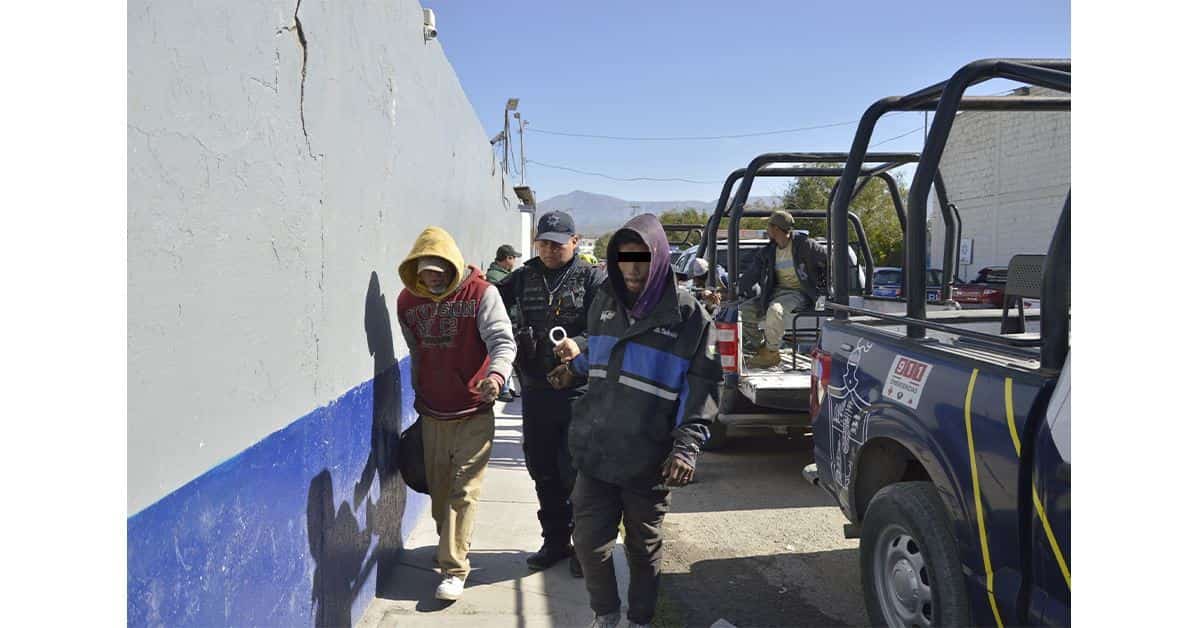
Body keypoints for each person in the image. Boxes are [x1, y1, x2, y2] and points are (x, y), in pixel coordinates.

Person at [548, 214, 721, 628]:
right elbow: (606, 353)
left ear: (659, 258)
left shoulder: (689, 317)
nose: (631, 268)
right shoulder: (606, 301)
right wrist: (576, 367)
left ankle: (640, 619)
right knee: (589, 542)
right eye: (623, 258)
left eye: (641, 258)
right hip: (597, 449)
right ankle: (606, 615)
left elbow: (704, 387)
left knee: (643, 548)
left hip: (649, 457)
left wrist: (687, 446)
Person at [394, 226, 516, 601]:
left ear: (452, 265)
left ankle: (455, 568)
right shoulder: (407, 302)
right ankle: (451, 545)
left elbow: (502, 340)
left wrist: (496, 377)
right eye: (424, 271)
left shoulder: (482, 294)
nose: (431, 277)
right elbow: (417, 352)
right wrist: (420, 394)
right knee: (440, 491)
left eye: (438, 269)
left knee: (464, 491)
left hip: (474, 410)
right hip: (433, 413)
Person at [495, 210, 606, 577]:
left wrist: (579, 343)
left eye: (557, 244)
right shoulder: (524, 275)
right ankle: (554, 540)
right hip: (536, 388)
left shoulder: (592, 278)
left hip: (577, 390)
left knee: (576, 470)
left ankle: (583, 546)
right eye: (542, 243)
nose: (548, 250)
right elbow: (489, 299)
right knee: (543, 468)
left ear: (574, 242)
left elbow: (608, 328)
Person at [737, 210, 828, 368]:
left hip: (798, 293)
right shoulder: (769, 251)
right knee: (744, 310)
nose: (767, 229)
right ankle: (762, 348)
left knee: (775, 311)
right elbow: (752, 273)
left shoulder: (804, 244)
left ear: (776, 228)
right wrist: (735, 289)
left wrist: (823, 286)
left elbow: (829, 259)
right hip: (776, 293)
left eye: (768, 225)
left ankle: (771, 353)